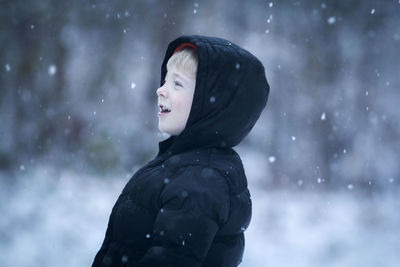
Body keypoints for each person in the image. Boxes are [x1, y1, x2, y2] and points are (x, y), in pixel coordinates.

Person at [92, 35, 270, 267]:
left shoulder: (200, 181)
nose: (161, 91)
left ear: (210, 105)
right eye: (165, 80)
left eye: (177, 84)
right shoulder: (187, 166)